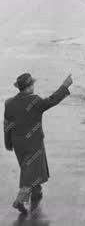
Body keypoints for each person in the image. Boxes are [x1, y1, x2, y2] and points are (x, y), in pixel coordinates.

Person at [4, 72, 73, 215]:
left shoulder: (9, 103)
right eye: (32, 84)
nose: (33, 87)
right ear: (28, 87)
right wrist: (65, 86)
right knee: (30, 172)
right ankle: (19, 200)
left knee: (27, 168)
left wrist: (8, 142)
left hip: (18, 144)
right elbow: (52, 100)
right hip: (33, 143)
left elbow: (7, 125)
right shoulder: (34, 101)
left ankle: (37, 191)